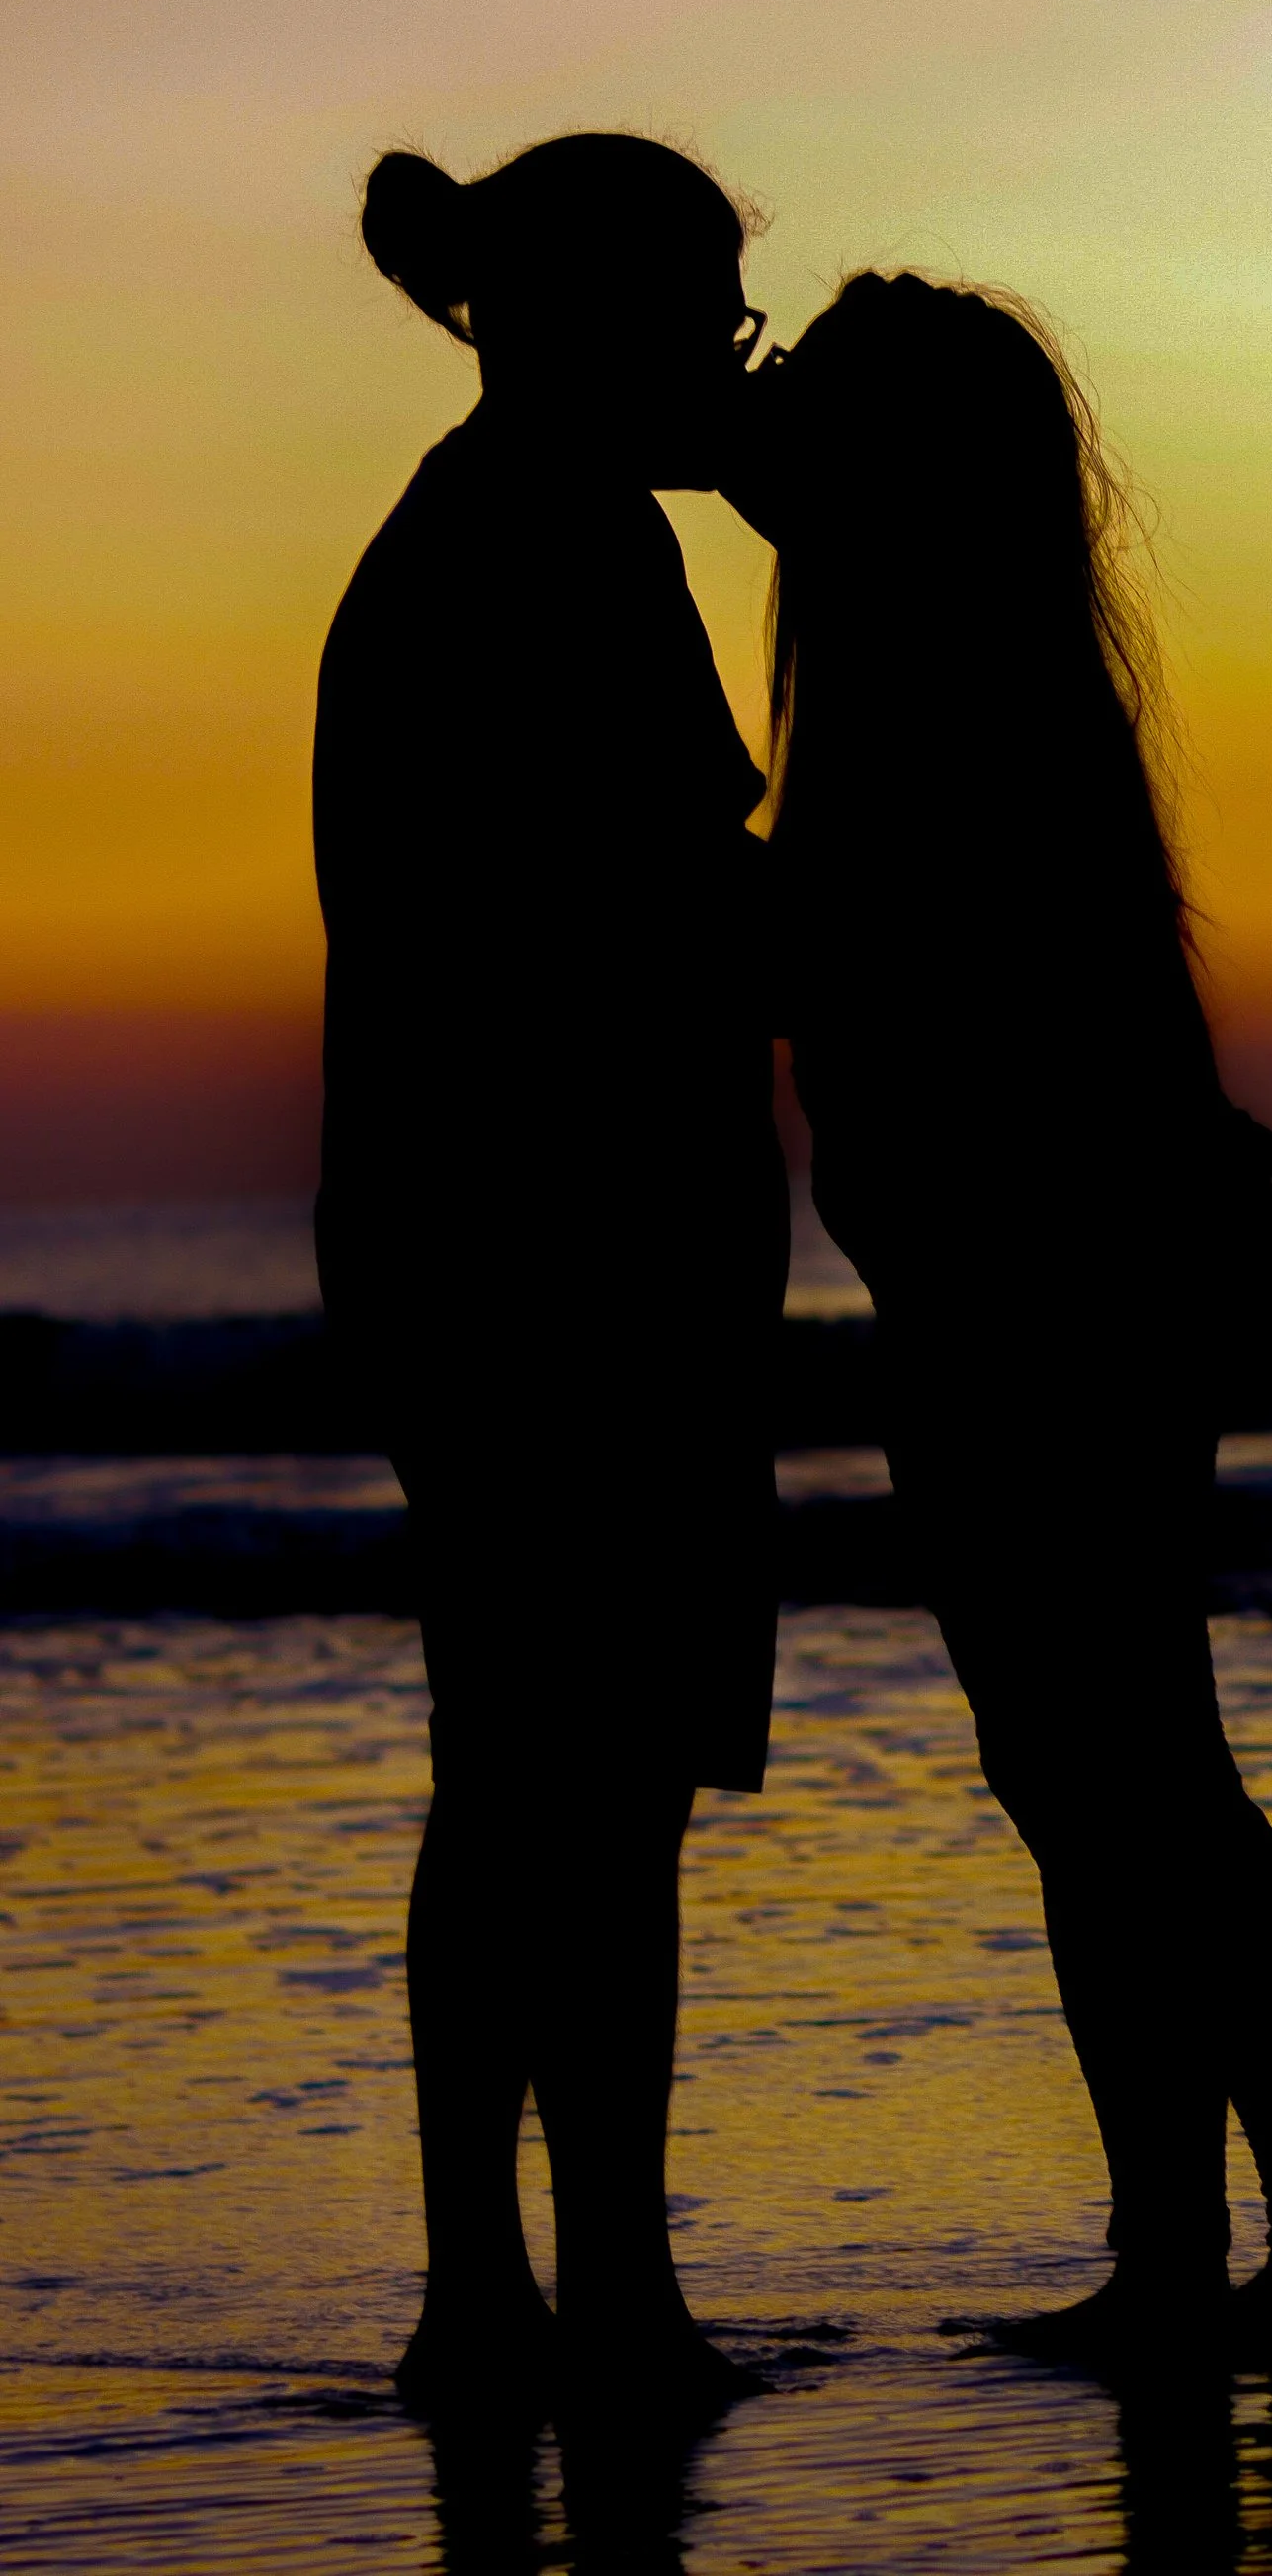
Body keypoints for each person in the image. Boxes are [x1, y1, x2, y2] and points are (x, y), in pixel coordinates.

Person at [746, 268, 1272, 2371]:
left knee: (1132, 1780)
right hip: (1013, 1291)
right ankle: (1191, 2253)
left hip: (1032, 1301)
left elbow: (986, 999)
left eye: (819, 415)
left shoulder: (939, 682)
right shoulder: (959, 645)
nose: (774, 432)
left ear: (892, 476)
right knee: (1096, 1781)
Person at [314, 134, 789, 2417]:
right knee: (575, 1787)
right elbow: (696, 914)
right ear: (573, 322)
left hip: (491, 1241)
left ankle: (520, 2287)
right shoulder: (548, 553)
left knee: (528, 1771)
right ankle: (577, 2296)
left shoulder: (523, 529)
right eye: (699, 316)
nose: (725, 357)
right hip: (565, 1255)